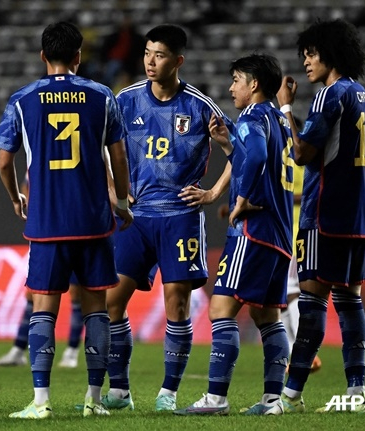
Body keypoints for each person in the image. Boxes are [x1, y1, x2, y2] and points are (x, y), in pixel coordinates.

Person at [0, 21, 133, 419]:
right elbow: (119, 157)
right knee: (95, 309)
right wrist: (121, 201)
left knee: (43, 309)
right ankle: (93, 400)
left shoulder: (23, 99)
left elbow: (5, 160)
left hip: (48, 222)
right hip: (93, 221)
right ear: (78, 57)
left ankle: (40, 402)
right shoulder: (102, 95)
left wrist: (16, 196)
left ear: (43, 56)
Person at [102, 23, 234, 413]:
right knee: (112, 302)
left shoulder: (199, 105)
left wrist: (212, 193)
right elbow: (97, 147)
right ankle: (120, 391)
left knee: (176, 305)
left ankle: (168, 392)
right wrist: (113, 191)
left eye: (159, 55)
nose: (149, 61)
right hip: (136, 218)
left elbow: (240, 152)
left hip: (180, 217)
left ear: (178, 61)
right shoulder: (124, 100)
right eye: (146, 53)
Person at [174, 53, 293, 416]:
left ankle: (215, 398)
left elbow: (255, 157)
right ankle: (273, 400)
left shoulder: (252, 116)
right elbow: (251, 156)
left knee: (221, 307)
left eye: (237, 79)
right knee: (267, 317)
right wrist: (227, 145)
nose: (231, 87)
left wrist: (240, 200)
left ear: (253, 84)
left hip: (252, 232)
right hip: (280, 235)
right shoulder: (277, 120)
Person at [276, 19, 365, 413]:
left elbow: (302, 154)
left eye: (311, 54)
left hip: (325, 214)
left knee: (313, 300)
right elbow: (321, 142)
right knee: (350, 300)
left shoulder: (329, 94)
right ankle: (356, 393)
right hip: (359, 216)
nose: (306, 62)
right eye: (303, 55)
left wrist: (285, 107)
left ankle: (291, 395)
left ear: (330, 54)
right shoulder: (361, 95)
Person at [0, 178, 84, 369]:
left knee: (76, 293)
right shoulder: (39, 154)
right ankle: (18, 350)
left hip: (74, 228)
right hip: (47, 230)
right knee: (33, 293)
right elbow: (25, 184)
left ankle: (72, 351)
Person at [281, 164, 322, 373]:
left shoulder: (301, 159)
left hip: (297, 235)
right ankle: (294, 353)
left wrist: (282, 196)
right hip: (283, 234)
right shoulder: (285, 152)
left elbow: (310, 192)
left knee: (291, 292)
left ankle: (307, 353)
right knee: (279, 298)